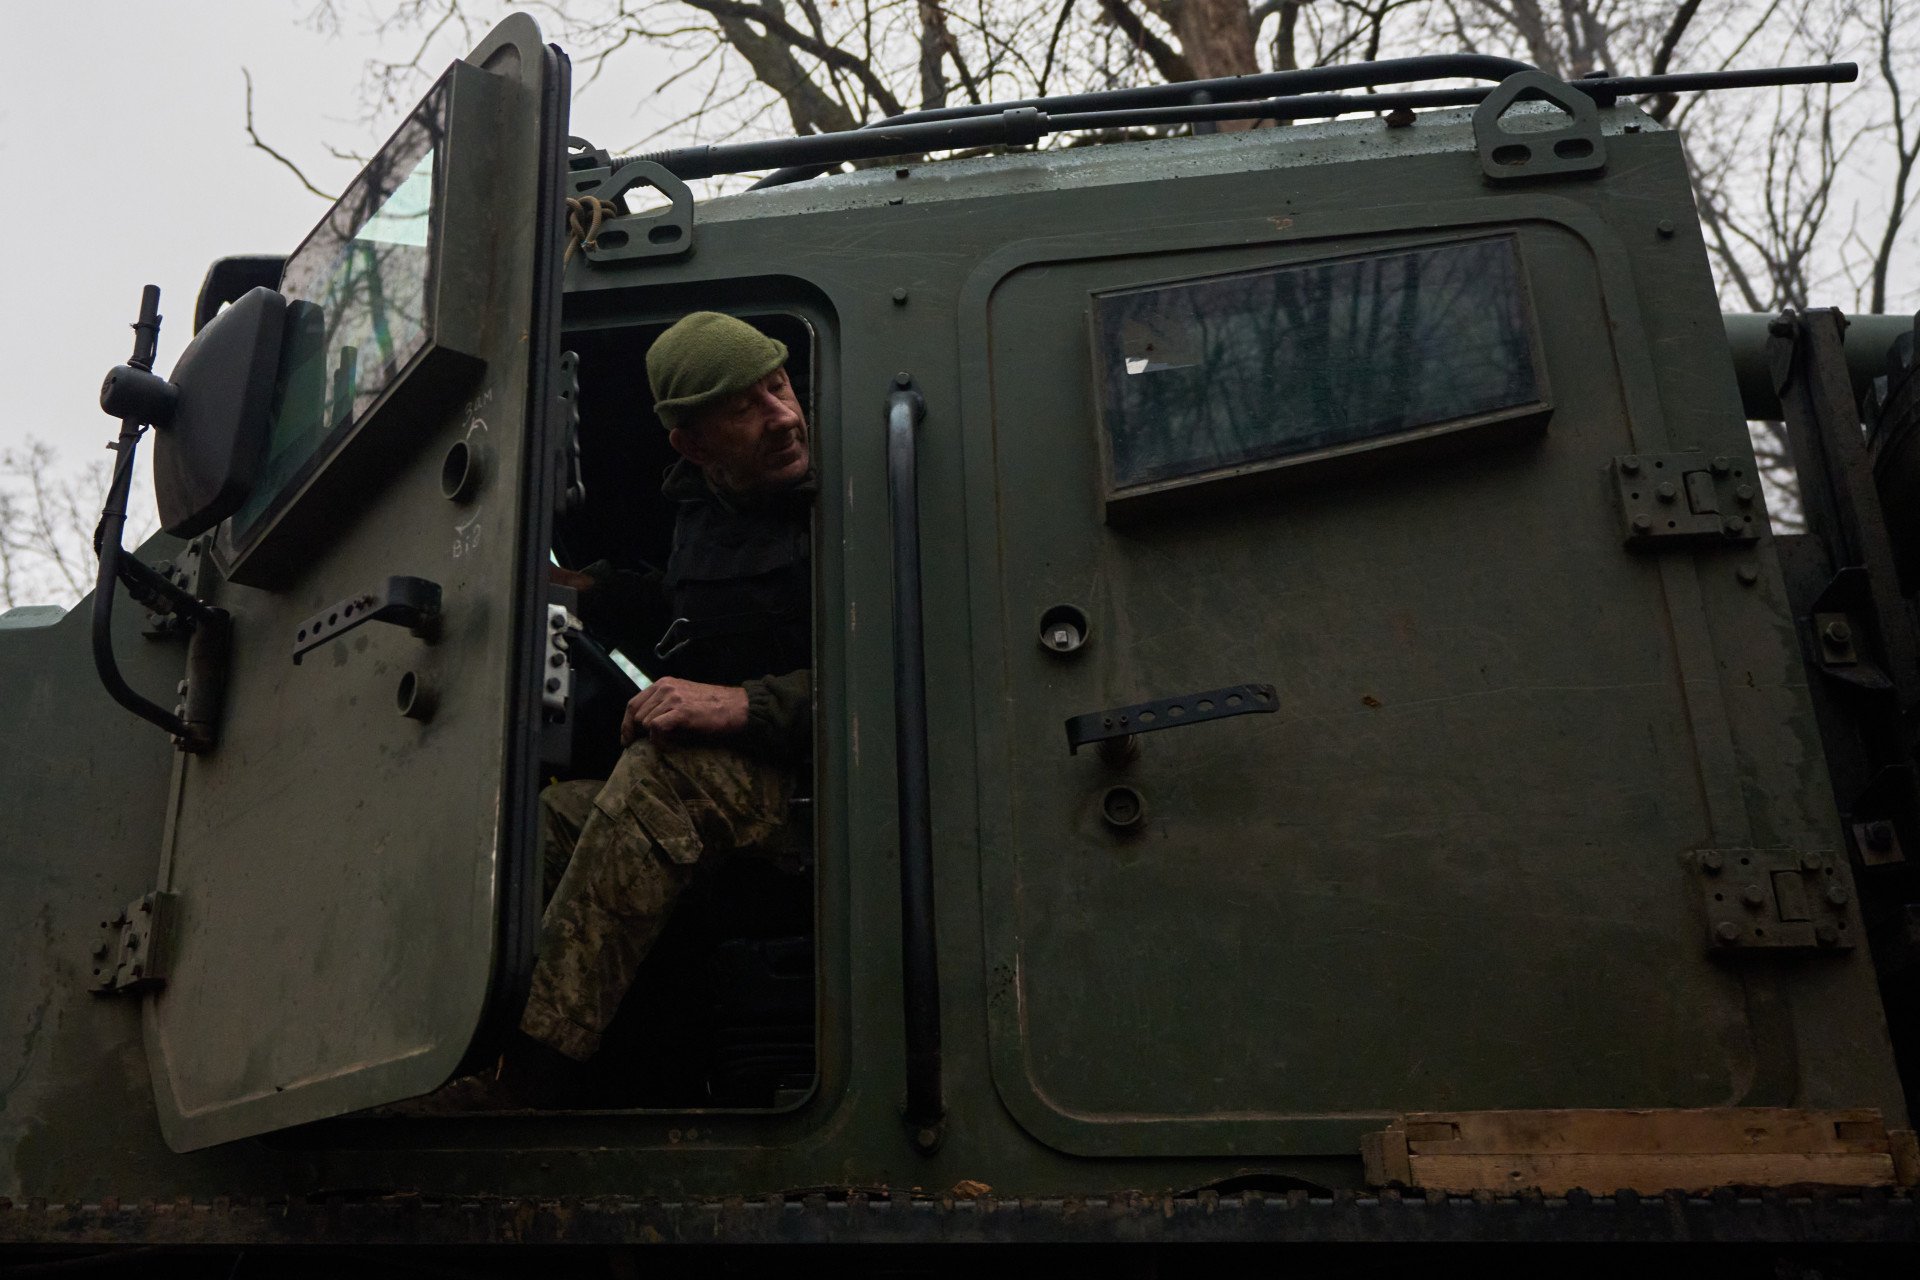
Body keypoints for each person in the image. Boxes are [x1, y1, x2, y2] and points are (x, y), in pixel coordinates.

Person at [513, 310, 815, 1094]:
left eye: (780, 386)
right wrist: (595, 590)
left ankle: (536, 1077)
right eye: (746, 407)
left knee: (661, 779)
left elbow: (921, 668)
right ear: (694, 445)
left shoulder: (849, 492)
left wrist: (742, 705)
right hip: (763, 775)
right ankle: (473, 1053)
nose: (784, 417)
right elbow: (696, 606)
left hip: (842, 787)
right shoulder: (706, 505)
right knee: (544, 821)